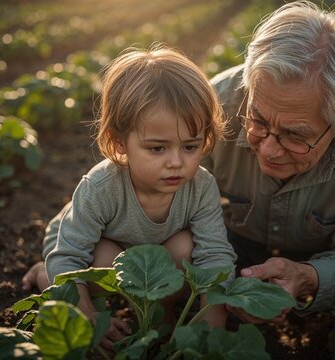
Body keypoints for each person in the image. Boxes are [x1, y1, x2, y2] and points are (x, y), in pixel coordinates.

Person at [202, 1, 335, 323]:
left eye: (295, 136)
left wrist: (310, 276)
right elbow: (165, 211)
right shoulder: (214, 104)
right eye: (257, 120)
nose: (270, 150)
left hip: (320, 259)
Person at [21, 45, 237, 348]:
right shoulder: (101, 186)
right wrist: (89, 319)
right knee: (104, 258)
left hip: (152, 256)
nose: (176, 161)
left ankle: (162, 314)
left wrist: (213, 327)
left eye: (190, 146)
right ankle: (48, 277)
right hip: (83, 248)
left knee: (186, 248)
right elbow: (70, 255)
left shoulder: (201, 186)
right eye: (157, 148)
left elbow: (215, 255)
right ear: (119, 142)